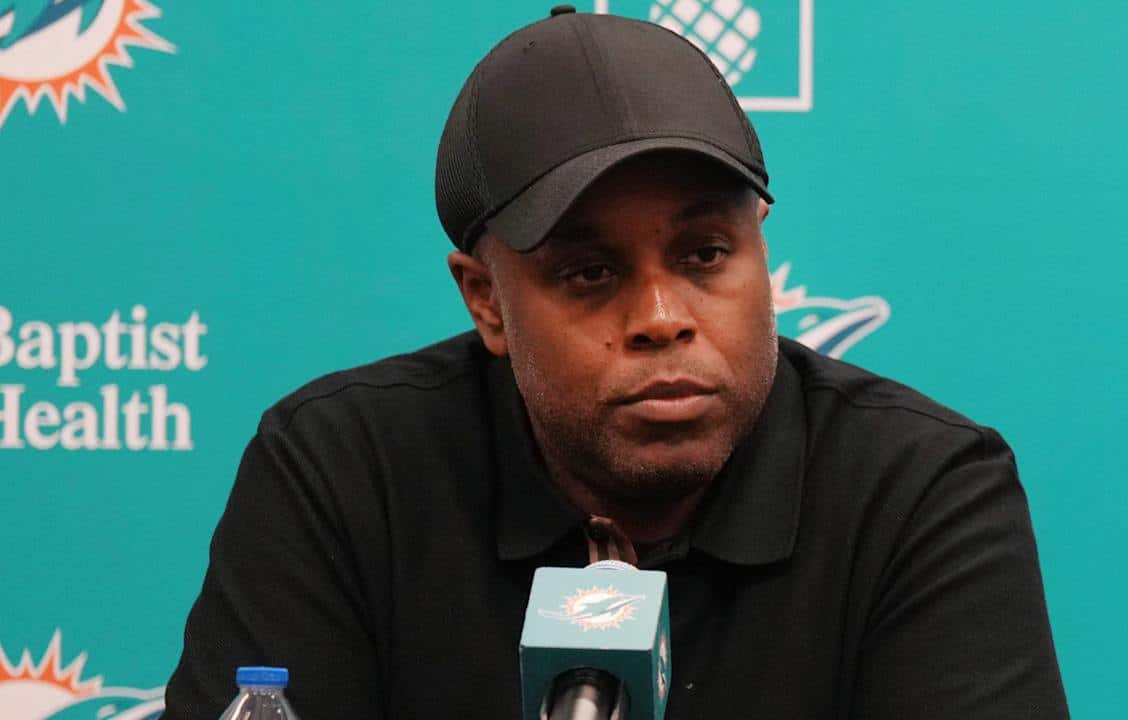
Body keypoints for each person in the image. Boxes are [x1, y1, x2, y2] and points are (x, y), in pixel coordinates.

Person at [162, 6, 1069, 719]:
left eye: (704, 255)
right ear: (486, 301)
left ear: (760, 247)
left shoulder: (917, 489)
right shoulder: (343, 471)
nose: (663, 320)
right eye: (591, 273)